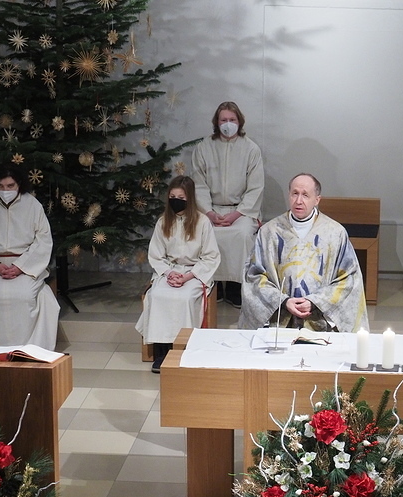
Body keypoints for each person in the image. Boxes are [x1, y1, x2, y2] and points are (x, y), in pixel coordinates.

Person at [238, 173, 369, 333]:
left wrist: (315, 301)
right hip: (279, 323)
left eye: (305, 195)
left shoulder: (335, 233)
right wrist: (282, 301)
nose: (298, 201)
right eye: (295, 193)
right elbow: (254, 276)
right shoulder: (269, 232)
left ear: (317, 199)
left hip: (321, 323)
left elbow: (349, 280)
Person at [0, 163, 60, 350]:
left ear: (19, 184)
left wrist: (20, 267)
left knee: (24, 296)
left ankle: (29, 349)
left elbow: (43, 241)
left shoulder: (33, 206)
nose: (5, 191)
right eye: (1, 186)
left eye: (10, 186)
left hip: (26, 266)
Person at [135, 175, 220, 373]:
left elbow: (210, 257)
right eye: (172, 197)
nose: (176, 201)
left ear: (190, 198)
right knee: (157, 295)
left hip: (194, 273)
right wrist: (169, 273)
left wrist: (187, 276)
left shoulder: (202, 222)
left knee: (185, 298)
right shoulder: (163, 222)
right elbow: (156, 255)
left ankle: (183, 348)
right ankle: (162, 352)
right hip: (169, 271)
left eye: (181, 198)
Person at [191, 101, 264, 308]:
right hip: (211, 209)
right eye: (224, 120)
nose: (228, 124)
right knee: (205, 232)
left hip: (241, 210)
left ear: (240, 122)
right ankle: (213, 285)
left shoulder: (251, 149)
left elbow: (255, 187)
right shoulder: (204, 148)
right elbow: (199, 184)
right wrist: (209, 212)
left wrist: (237, 214)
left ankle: (235, 286)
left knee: (242, 234)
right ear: (217, 122)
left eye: (232, 119)